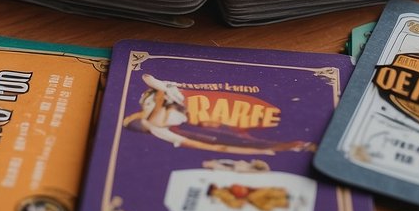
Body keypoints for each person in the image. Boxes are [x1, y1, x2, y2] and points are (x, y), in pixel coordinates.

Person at [122, 73, 316, 155]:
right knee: (252, 139)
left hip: (208, 124)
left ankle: (292, 143)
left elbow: (148, 79)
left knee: (256, 136)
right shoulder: (157, 123)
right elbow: (201, 143)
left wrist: (162, 87)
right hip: (208, 129)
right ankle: (294, 145)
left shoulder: (155, 113)